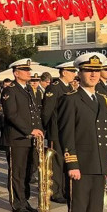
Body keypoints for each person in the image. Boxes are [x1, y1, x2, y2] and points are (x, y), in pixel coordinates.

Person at [57, 54, 107, 212]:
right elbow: (67, 135)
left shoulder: (103, 99)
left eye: (96, 70)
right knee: (79, 211)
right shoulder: (70, 99)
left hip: (100, 163)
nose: (93, 74)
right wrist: (71, 164)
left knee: (95, 210)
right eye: (88, 71)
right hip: (81, 165)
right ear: (79, 73)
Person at [1, 58, 43, 212]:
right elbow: (12, 115)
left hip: (29, 138)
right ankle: (17, 203)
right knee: (17, 173)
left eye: (28, 70)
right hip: (16, 138)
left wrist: (38, 129)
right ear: (16, 73)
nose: (29, 73)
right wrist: (29, 130)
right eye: (25, 70)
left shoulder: (29, 89)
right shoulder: (10, 90)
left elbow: (34, 112)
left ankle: (24, 200)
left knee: (27, 172)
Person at [41, 61, 77, 203]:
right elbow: (47, 112)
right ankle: (55, 192)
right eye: (72, 72)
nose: (74, 74)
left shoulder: (69, 88)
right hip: (56, 131)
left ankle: (65, 190)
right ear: (63, 72)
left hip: (67, 131)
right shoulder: (54, 88)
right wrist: (46, 129)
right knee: (56, 163)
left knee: (66, 161)